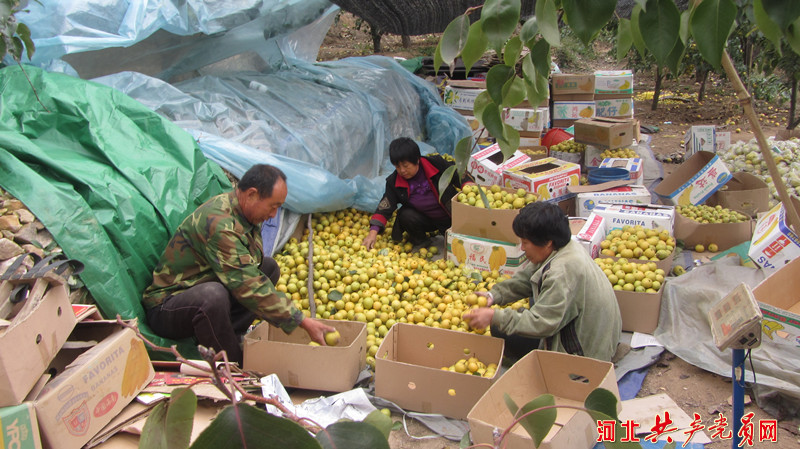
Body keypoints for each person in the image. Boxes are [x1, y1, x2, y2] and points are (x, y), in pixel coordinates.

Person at [142, 164, 333, 365]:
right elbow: (247, 284)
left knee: (268, 268)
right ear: (251, 194)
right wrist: (301, 321)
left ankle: (231, 335)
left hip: (205, 287)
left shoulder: (243, 215)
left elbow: (250, 274)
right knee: (212, 296)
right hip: (168, 306)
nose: (273, 215)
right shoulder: (221, 224)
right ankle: (233, 366)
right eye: (273, 206)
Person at [463, 201, 621, 362]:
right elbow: (528, 277)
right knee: (533, 298)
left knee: (500, 328)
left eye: (525, 242)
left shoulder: (561, 273)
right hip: (602, 337)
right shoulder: (564, 246)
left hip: (586, 357)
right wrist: (494, 295)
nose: (522, 248)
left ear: (547, 242)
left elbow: (541, 323)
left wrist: (494, 317)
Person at [362, 137, 471, 250]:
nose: (402, 170)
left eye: (405, 165)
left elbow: (457, 172)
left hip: (451, 216)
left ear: (417, 160)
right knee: (405, 215)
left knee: (463, 244)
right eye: (397, 166)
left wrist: (468, 185)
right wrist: (373, 233)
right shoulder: (394, 182)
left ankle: (448, 230)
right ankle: (421, 240)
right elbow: (385, 207)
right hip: (427, 220)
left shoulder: (435, 164)